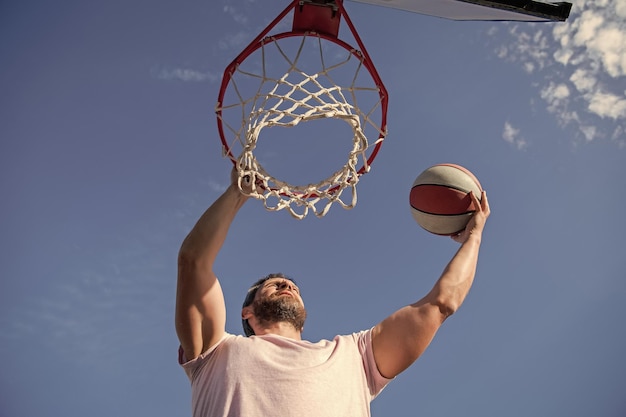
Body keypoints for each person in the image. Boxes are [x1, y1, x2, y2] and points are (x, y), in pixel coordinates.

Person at [175, 168, 490, 417]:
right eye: (273, 285)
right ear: (247, 312)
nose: (287, 285)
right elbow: (193, 261)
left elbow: (440, 304)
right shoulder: (215, 352)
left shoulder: (355, 357)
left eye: (292, 285)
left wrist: (474, 236)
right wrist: (238, 193)